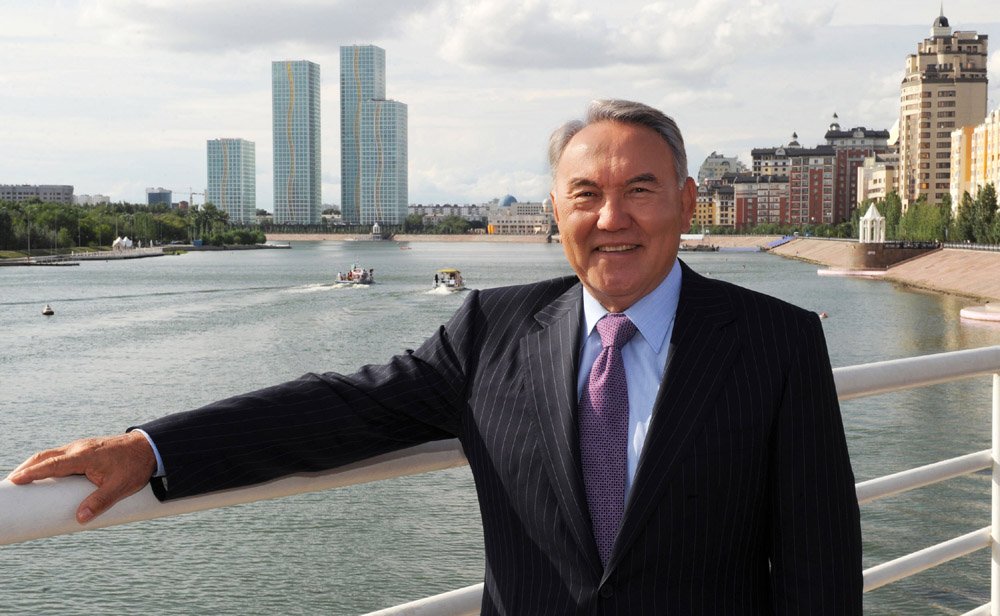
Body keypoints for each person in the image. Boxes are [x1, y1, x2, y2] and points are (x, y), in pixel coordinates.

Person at [8, 99, 862, 614]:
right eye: (586, 195)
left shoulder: (778, 343)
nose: (613, 218)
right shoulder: (493, 330)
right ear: (555, 211)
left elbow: (819, 565)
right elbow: (342, 407)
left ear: (684, 200)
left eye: (640, 190)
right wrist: (151, 447)